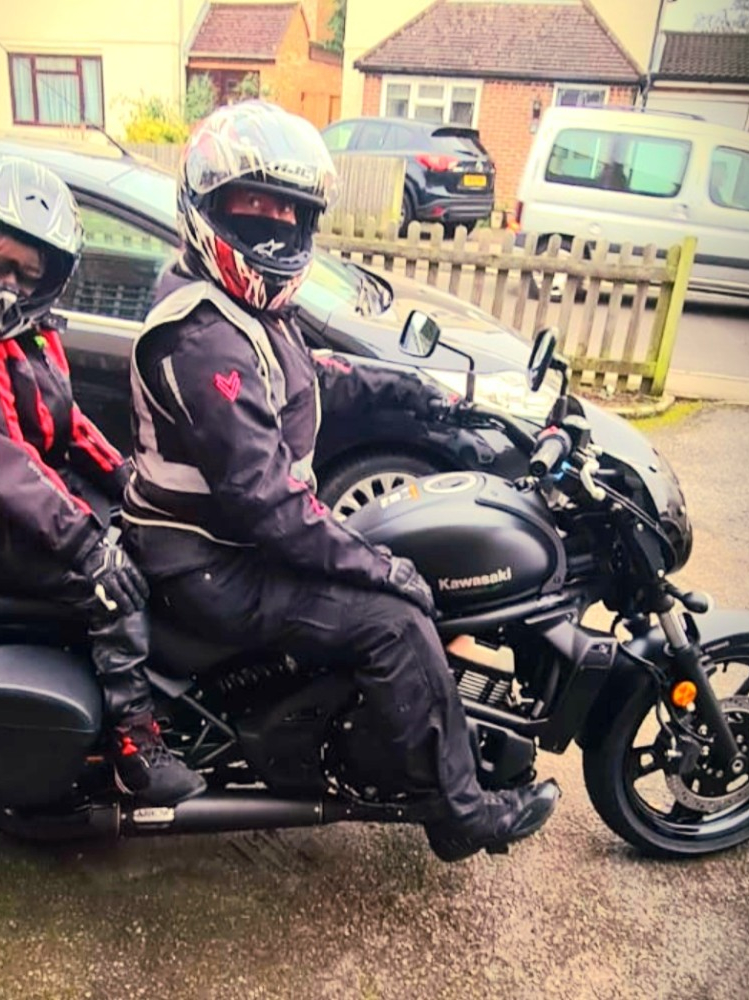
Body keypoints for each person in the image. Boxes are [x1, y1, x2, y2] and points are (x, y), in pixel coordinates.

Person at [121, 101, 560, 862]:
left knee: (396, 571)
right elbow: (264, 501)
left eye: (288, 211)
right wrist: (382, 570)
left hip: (233, 547)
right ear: (207, 205)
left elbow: (317, 377)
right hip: (207, 564)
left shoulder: (247, 311)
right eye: (252, 204)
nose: (273, 226)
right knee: (394, 619)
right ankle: (460, 813)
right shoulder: (201, 338)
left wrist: (426, 394)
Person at [0, 155, 205, 807]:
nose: (6, 285)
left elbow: (68, 424)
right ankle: (135, 746)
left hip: (33, 500)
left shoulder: (25, 330)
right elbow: (1, 464)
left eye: (27, 273)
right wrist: (91, 548)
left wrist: (132, 482)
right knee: (117, 585)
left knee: (163, 537)